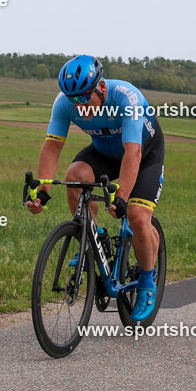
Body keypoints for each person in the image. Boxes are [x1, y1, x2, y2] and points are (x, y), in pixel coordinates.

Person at [25, 55, 164, 320]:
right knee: (75, 176)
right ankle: (93, 236)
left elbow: (132, 153)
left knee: (137, 216)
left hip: (143, 156)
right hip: (103, 154)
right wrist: (42, 191)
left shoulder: (127, 98)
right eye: (73, 99)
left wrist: (122, 195)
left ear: (101, 88)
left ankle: (147, 281)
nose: (79, 106)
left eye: (84, 98)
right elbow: (52, 146)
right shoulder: (64, 103)